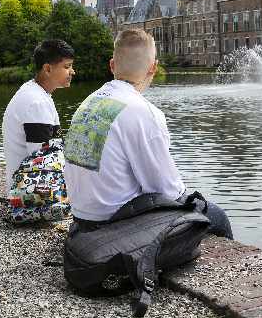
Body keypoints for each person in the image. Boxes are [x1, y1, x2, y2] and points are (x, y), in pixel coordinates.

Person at [64, 29, 232, 238]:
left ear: (112, 65)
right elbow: (169, 192)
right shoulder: (144, 112)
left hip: (82, 219)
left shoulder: (89, 102)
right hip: (113, 225)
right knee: (217, 216)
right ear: (153, 67)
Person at [3, 39, 75, 222]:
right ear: (48, 69)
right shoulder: (36, 102)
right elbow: (42, 162)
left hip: (26, 186)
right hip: (30, 195)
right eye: (67, 67)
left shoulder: (35, 92)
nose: (72, 72)